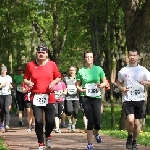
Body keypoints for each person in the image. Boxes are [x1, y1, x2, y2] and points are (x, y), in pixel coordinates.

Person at [24, 44, 61, 150]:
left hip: (49, 96)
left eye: (43, 53)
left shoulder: (52, 64)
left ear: (46, 54)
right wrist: (28, 83)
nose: (41, 54)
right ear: (36, 53)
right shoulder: (30, 65)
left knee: (50, 121)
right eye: (39, 52)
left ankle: (48, 135)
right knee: (39, 121)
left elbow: (58, 77)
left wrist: (53, 83)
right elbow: (25, 78)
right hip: (36, 97)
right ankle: (41, 142)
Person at [117, 49, 150, 150]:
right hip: (128, 98)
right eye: (130, 55)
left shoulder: (143, 70)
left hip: (139, 99)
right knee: (130, 121)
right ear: (128, 56)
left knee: (137, 123)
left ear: (138, 57)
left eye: (134, 55)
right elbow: (118, 83)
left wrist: (146, 83)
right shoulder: (123, 71)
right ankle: (129, 137)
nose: (132, 57)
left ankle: (134, 141)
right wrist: (122, 88)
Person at [76, 50, 107, 150]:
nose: (89, 58)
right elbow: (77, 84)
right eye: (87, 57)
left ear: (93, 58)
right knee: (90, 120)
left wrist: (101, 85)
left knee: (97, 121)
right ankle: (89, 144)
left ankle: (96, 133)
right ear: (84, 58)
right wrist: (80, 89)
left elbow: (105, 82)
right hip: (85, 97)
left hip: (96, 97)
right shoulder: (81, 71)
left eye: (90, 57)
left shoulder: (98, 69)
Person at [64, 66, 79, 132]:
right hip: (68, 97)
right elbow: (64, 87)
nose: (71, 71)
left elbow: (80, 86)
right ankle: (70, 122)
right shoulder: (65, 78)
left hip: (76, 97)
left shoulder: (78, 79)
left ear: (75, 71)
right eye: (70, 70)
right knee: (69, 111)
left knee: (76, 112)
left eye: (73, 70)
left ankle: (74, 124)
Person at [0, 65, 13, 132]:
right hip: (1, 95)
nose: (3, 71)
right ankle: (2, 124)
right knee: (2, 110)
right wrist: (2, 85)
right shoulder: (0, 78)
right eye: (2, 70)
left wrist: (11, 86)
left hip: (8, 95)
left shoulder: (9, 77)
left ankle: (7, 125)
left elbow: (11, 85)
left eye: (4, 70)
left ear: (6, 71)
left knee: (6, 109)